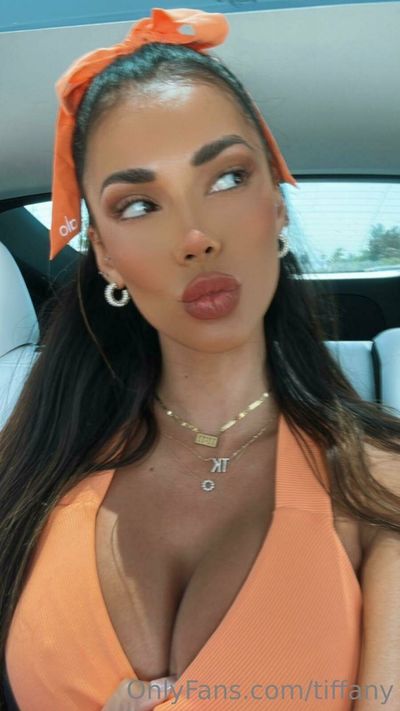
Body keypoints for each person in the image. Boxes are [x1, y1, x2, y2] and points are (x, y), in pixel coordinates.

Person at [1, 7, 399, 711]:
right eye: (137, 205)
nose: (195, 237)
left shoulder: (381, 483)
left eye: (225, 179)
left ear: (276, 204)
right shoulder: (33, 457)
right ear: (106, 257)